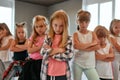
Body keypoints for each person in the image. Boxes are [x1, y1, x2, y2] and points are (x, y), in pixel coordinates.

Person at [40, 10, 73, 80]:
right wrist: (58, 50)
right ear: (51, 24)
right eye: (55, 25)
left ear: (65, 26)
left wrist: (50, 52)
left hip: (62, 74)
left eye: (61, 26)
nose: (58, 28)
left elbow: (68, 56)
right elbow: (42, 52)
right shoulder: (48, 37)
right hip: (47, 72)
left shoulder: (69, 39)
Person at [72, 9, 100, 80]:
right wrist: (92, 43)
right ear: (77, 22)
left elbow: (97, 46)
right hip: (77, 63)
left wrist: (82, 47)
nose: (84, 24)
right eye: (81, 22)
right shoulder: (75, 34)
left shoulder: (92, 33)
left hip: (90, 64)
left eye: (86, 22)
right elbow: (76, 46)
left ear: (89, 22)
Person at [19, 15, 48, 80]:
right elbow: (29, 50)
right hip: (31, 62)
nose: (39, 29)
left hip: (41, 62)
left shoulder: (48, 37)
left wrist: (35, 48)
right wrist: (40, 47)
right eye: (36, 27)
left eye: (41, 26)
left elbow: (47, 50)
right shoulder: (33, 37)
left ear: (46, 26)